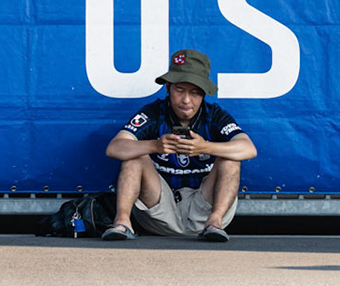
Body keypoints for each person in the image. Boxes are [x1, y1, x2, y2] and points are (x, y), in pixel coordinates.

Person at [101, 48, 256, 243]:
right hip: (159, 210)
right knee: (135, 155)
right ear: (168, 88)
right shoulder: (154, 112)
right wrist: (155, 146)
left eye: (194, 93)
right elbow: (114, 148)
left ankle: (215, 223)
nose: (186, 100)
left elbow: (249, 149)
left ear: (204, 94)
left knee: (231, 159)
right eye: (179, 90)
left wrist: (206, 147)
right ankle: (122, 222)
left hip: (204, 211)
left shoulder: (214, 115)